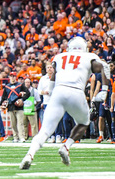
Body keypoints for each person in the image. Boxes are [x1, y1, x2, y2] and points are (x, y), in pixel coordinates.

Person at [20, 37, 110, 170]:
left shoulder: (60, 57)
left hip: (58, 91)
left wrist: (50, 92)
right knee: (84, 122)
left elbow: (53, 76)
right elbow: (106, 66)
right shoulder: (89, 56)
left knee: (44, 131)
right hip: (76, 92)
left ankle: (29, 155)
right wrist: (104, 90)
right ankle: (66, 146)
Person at [0, 72, 30, 143]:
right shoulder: (7, 87)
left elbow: (28, 93)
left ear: (15, 77)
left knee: (20, 123)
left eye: (14, 76)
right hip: (11, 107)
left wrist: (22, 99)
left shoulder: (20, 85)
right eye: (11, 76)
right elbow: (4, 97)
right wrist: (1, 104)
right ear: (9, 77)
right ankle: (15, 137)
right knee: (13, 124)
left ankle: (22, 137)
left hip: (19, 107)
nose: (12, 77)